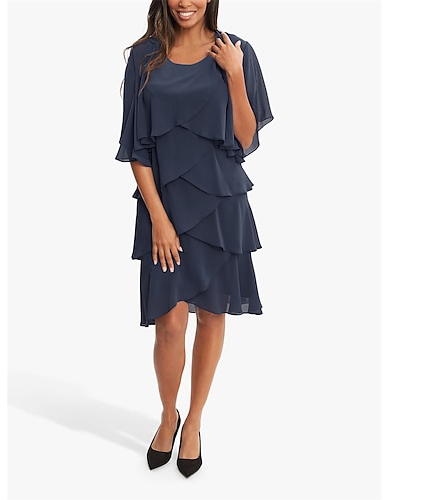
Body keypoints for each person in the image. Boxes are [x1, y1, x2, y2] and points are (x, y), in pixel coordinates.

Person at [115, 0, 273, 478]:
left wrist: (235, 75)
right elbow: (136, 147)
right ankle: (169, 416)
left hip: (221, 205)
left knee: (211, 315)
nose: (186, 1)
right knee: (169, 324)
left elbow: (245, 138)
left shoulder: (237, 51)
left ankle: (195, 422)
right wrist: (158, 219)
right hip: (163, 209)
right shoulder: (145, 57)